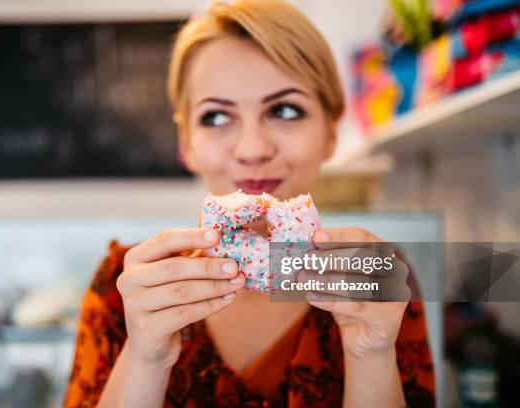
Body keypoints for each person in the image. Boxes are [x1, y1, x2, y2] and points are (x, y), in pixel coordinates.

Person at [64, 0, 435, 406]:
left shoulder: (378, 277)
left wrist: (371, 354)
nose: (253, 148)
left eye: (285, 109)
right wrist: (144, 357)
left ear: (330, 132)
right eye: (217, 118)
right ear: (187, 143)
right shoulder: (124, 289)